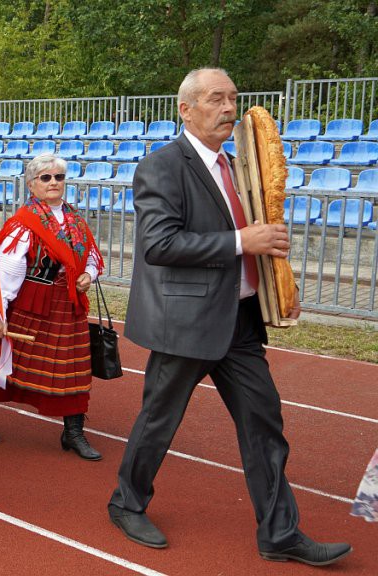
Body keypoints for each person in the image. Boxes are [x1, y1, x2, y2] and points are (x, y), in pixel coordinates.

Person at [107, 68, 352, 566]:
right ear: (186, 108)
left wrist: (278, 289)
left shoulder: (240, 167)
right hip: (185, 322)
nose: (228, 109)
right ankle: (126, 503)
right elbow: (160, 244)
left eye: (232, 99)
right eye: (216, 99)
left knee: (265, 423)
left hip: (240, 320)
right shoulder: (162, 166)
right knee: (160, 421)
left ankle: (280, 533)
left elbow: (259, 237)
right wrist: (243, 241)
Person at [0, 154, 104, 460]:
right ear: (31, 184)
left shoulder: (76, 219)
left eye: (59, 177)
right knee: (2, 361)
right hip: (30, 303)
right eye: (46, 178)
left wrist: (87, 275)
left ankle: (73, 431)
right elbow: (5, 274)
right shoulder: (23, 224)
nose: (54, 183)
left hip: (68, 306)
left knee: (74, 369)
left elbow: (92, 256)